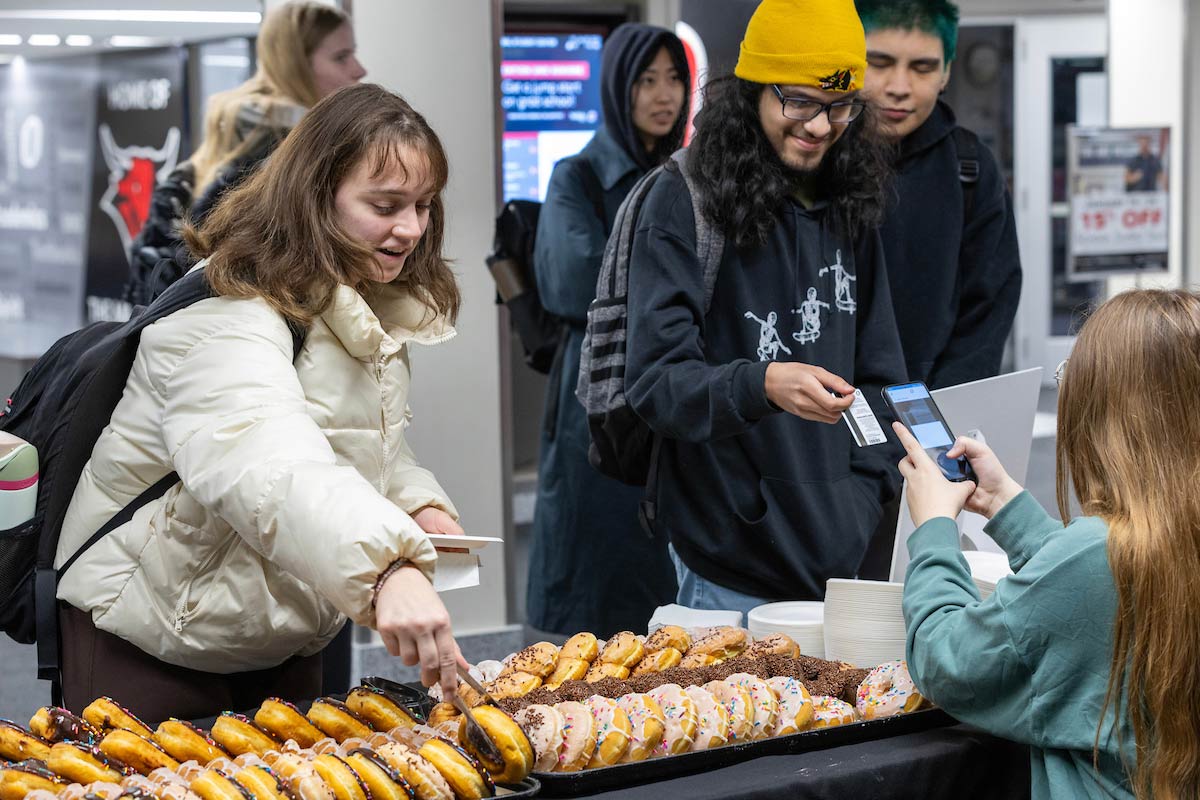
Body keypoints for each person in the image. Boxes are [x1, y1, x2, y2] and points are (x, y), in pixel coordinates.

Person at [55, 84, 465, 722]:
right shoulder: (231, 310)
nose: (410, 229)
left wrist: (417, 500)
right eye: (385, 205)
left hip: (271, 625)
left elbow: (351, 434)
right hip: (149, 629)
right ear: (315, 196)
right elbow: (265, 459)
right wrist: (387, 569)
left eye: (423, 205)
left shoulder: (347, 298)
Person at [622, 0, 907, 619]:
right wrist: (763, 384)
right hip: (729, 563)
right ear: (751, 92)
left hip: (842, 563)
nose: (820, 126)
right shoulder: (683, 198)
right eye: (798, 101)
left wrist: (863, 493)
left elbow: (882, 378)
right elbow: (655, 382)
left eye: (840, 107)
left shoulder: (849, 201)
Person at [897, 289, 1200, 800]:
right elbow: (1106, 591)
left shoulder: (1093, 557)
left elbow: (947, 662)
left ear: (1103, 411)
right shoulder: (1158, 545)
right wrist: (1007, 506)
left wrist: (932, 533)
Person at [526, 24, 690, 638]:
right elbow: (572, 281)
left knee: (662, 557)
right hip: (594, 391)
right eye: (646, 80)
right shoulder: (580, 176)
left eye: (674, 79)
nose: (662, 95)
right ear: (617, 88)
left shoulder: (690, 176)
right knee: (596, 551)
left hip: (669, 382)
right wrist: (671, 285)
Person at [124, 0, 366, 305]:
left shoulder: (207, 163)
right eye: (342, 57)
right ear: (297, 66)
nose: (359, 70)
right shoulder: (292, 168)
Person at [857, 0, 1021, 390]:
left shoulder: (971, 168)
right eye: (878, 63)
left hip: (932, 411)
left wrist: (946, 410)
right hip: (822, 414)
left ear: (946, 72)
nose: (899, 87)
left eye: (922, 67)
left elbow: (989, 305)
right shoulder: (813, 158)